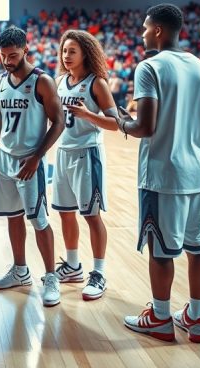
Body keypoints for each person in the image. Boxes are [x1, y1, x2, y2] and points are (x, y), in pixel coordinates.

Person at [118, 4, 200, 343]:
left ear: (158, 30)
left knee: (161, 251)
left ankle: (160, 317)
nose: (143, 33)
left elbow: (145, 127)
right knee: (197, 248)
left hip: (163, 175)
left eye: (146, 27)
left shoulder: (150, 67)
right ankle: (196, 316)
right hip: (197, 174)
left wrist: (122, 122)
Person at [0, 26, 66, 307]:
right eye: (3, 56)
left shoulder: (43, 81)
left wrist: (37, 156)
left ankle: (51, 277)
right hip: (4, 159)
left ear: (26, 50)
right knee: (13, 216)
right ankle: (20, 271)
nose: (7, 61)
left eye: (13, 55)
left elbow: (59, 122)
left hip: (30, 159)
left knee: (38, 220)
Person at [52, 30, 119, 301]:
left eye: (72, 51)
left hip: (87, 154)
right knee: (65, 213)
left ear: (85, 54)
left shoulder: (97, 83)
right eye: (64, 51)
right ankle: (72, 266)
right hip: (62, 153)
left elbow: (115, 124)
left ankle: (99, 272)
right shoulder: (58, 82)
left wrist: (89, 115)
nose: (66, 56)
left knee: (91, 215)